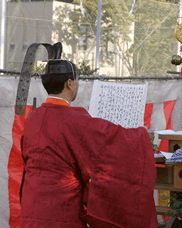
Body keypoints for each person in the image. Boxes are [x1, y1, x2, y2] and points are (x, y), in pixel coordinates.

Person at [20, 60, 158, 228]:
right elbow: (110, 140)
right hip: (61, 210)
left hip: (30, 206)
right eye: (77, 80)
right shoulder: (74, 118)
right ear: (70, 83)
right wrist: (140, 135)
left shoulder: (33, 117)